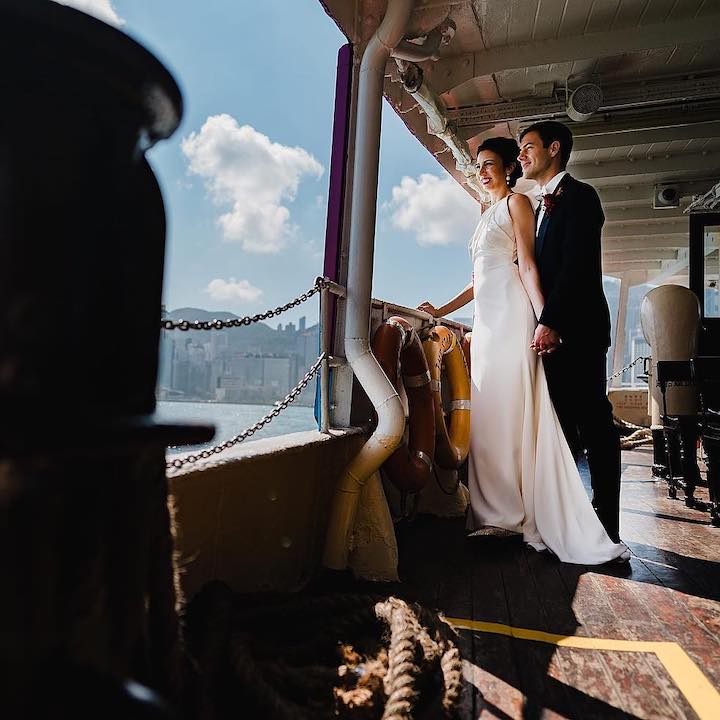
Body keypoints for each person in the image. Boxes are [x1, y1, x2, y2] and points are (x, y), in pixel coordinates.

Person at [418, 135, 628, 564]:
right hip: (487, 322)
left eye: (491, 163)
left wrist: (543, 319)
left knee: (522, 409)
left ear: (511, 166)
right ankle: (493, 510)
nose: (483, 171)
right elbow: (482, 277)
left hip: (516, 319)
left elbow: (530, 267)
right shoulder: (486, 211)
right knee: (491, 410)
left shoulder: (523, 203)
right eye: (479, 165)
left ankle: (519, 513)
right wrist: (441, 309)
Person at [518, 121, 622, 544]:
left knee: (595, 425)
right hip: (552, 335)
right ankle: (567, 518)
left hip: (577, 331)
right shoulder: (539, 207)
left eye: (527, 148)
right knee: (561, 426)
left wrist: (551, 321)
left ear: (554, 149)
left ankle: (605, 520)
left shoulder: (580, 197)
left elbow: (576, 267)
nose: (521, 156)